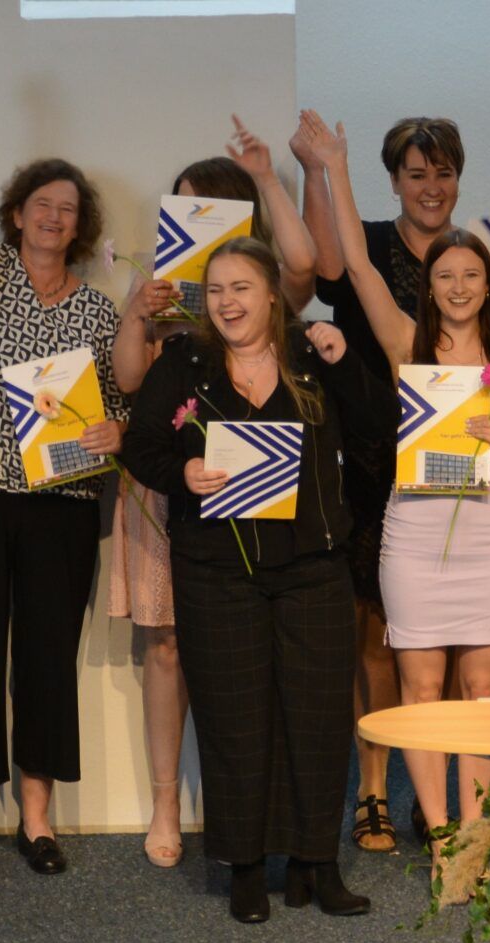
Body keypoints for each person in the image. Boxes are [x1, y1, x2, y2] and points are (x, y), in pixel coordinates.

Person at [121, 238, 388, 923]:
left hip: (313, 568)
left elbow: (378, 427)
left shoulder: (312, 354)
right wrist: (181, 473)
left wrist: (345, 360)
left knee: (318, 720)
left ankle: (316, 864)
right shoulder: (185, 361)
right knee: (234, 718)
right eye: (215, 290)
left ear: (272, 293)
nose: (227, 302)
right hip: (217, 571)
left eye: (241, 287)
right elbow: (141, 446)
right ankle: (242, 867)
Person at [300, 119, 490, 848]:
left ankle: (475, 830)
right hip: (411, 537)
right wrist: (335, 166)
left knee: (483, 692)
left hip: (487, 542)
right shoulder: (408, 343)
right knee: (422, 691)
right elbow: (360, 268)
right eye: (446, 276)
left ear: (489, 284)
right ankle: (442, 837)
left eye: (471, 276)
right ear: (430, 286)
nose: (459, 287)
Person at [0, 50, 125, 888]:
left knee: (46, 658)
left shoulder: (101, 311)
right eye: (42, 204)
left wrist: (116, 431)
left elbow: (126, 405)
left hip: (61, 504)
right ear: (16, 215)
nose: (53, 216)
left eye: (67, 209)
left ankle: (36, 820)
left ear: (80, 227)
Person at [113, 119, 320, 867]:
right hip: (170, 478)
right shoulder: (163, 287)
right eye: (182, 206)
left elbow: (307, 267)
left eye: (206, 207)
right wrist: (138, 311)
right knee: (167, 644)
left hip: (253, 489)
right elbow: (129, 380)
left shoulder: (259, 284)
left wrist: (268, 173)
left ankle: (256, 815)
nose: (191, 221)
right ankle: (168, 803)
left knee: (252, 648)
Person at [299, 107, 466, 853]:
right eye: (416, 173)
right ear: (393, 180)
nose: (431, 187)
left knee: (444, 639)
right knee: (374, 632)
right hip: (368, 461)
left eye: (443, 173)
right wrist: (323, 166)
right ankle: (372, 790)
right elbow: (328, 270)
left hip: (449, 468)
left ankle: (438, 800)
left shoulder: (468, 257)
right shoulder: (363, 240)